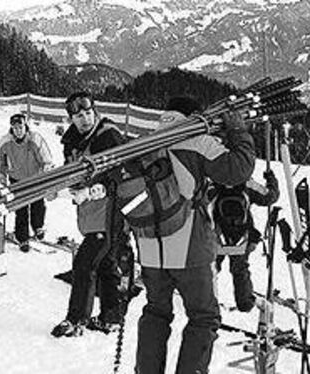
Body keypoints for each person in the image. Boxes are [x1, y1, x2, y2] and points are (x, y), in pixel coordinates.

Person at [126, 97, 255, 374]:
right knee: (204, 317)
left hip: (150, 246)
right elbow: (238, 170)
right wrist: (238, 133)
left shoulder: (147, 141)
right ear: (194, 115)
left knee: (156, 313)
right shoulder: (195, 141)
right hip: (189, 246)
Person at [51, 91, 126, 337]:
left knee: (84, 264)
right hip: (90, 213)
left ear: (94, 111)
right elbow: (72, 174)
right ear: (71, 119)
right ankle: (110, 318)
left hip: (110, 212)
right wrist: (58, 188)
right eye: (78, 116)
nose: (84, 119)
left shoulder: (108, 136)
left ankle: (76, 320)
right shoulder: (72, 141)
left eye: (87, 113)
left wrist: (95, 190)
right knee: (106, 264)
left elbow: (120, 173)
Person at [210, 170, 279, 312]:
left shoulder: (214, 184)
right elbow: (270, 197)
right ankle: (245, 301)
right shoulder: (246, 184)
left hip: (217, 236)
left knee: (211, 268)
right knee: (240, 269)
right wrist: (271, 179)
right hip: (241, 237)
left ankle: (207, 299)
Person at [0, 113, 53, 252]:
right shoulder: (6, 142)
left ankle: (38, 226)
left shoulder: (34, 139)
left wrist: (46, 171)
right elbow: (1, 161)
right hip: (17, 179)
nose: (18, 131)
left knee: (37, 204)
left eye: (20, 127)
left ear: (25, 126)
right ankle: (22, 237)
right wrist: (2, 176)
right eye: (15, 128)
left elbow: (46, 158)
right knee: (21, 209)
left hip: (35, 177)